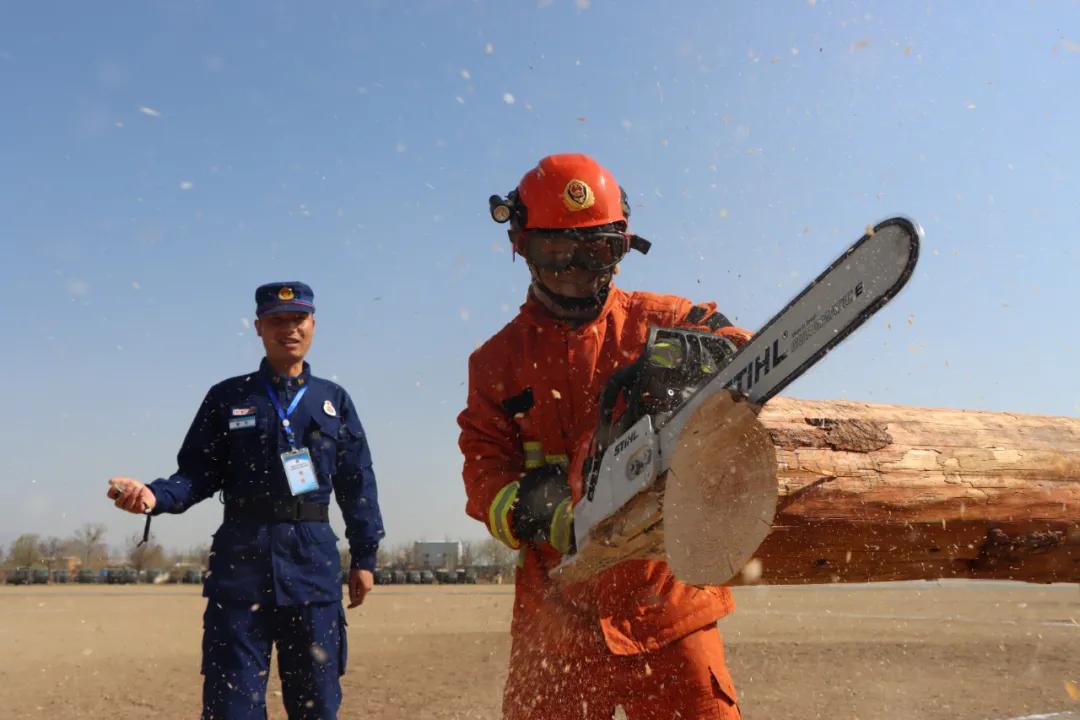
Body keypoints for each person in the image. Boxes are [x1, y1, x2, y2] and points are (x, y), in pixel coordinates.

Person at [458, 154, 750, 719]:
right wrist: (539, 510)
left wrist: (689, 360)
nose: (574, 267)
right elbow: (482, 471)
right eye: (555, 249)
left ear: (621, 247)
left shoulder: (662, 319)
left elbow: (746, 349)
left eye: (594, 249)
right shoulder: (496, 362)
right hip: (556, 613)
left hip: (664, 599)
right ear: (522, 244)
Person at [107, 281, 385, 720]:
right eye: (277, 320)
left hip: (312, 569)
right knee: (230, 707)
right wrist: (153, 496)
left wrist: (365, 558)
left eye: (298, 319)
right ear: (258, 327)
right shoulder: (228, 397)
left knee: (317, 705)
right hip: (240, 568)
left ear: (314, 324)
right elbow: (196, 473)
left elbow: (358, 482)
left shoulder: (333, 401)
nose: (288, 329)